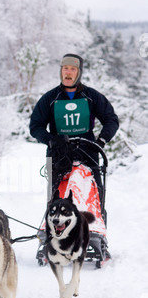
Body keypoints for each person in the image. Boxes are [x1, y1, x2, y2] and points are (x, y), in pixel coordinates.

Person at [29, 53, 119, 199]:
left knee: (95, 197)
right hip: (58, 154)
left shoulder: (91, 96)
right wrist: (50, 140)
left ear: (79, 73)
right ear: (61, 71)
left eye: (73, 69)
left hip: (88, 152)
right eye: (65, 68)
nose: (68, 72)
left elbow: (111, 119)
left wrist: (101, 140)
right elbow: (35, 126)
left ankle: (95, 220)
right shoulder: (50, 98)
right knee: (57, 200)